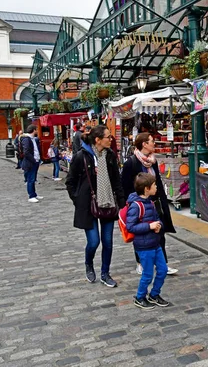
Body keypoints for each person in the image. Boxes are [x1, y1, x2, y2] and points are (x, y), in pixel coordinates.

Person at [66, 125, 125, 288]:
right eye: (108, 137)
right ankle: (88, 263)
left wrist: (122, 204)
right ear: (98, 140)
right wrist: (77, 200)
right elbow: (70, 182)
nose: (111, 139)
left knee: (108, 242)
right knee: (94, 241)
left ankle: (105, 273)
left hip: (107, 203)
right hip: (88, 205)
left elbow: (117, 181)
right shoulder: (82, 156)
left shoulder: (111, 156)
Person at [121, 132, 178, 275]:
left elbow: (157, 181)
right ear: (144, 144)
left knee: (160, 232)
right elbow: (125, 186)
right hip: (139, 204)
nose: (154, 143)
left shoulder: (153, 161)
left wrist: (162, 199)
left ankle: (163, 264)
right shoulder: (131, 163)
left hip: (155, 202)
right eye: (152, 141)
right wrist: (130, 204)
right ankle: (140, 262)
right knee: (140, 233)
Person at [128, 172, 169, 310]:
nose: (156, 187)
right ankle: (140, 297)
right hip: (144, 247)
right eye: (154, 185)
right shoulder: (136, 206)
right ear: (147, 188)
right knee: (147, 275)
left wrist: (159, 226)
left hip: (155, 243)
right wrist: (149, 226)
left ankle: (154, 294)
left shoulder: (150, 202)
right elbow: (131, 226)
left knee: (162, 270)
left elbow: (157, 218)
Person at [21, 125, 42, 203]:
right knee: (31, 179)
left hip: (35, 161)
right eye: (36, 129)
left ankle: (34, 194)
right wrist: (33, 160)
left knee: (33, 179)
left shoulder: (32, 139)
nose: (37, 131)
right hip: (31, 162)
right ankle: (31, 196)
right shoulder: (27, 139)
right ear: (34, 130)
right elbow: (26, 152)